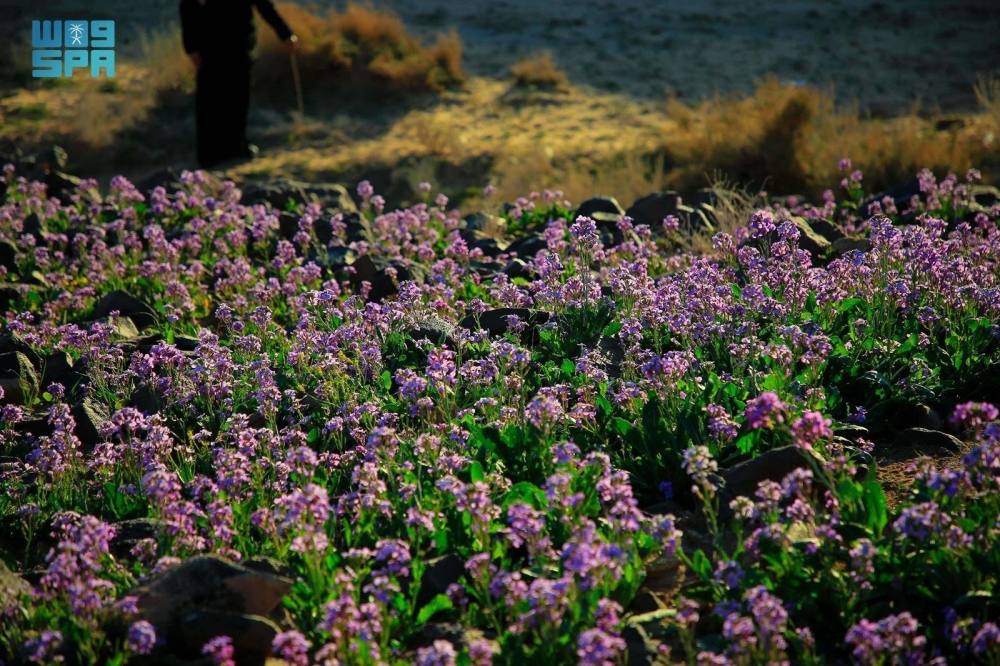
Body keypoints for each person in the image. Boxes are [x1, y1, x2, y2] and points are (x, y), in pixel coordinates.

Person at [179, 0, 297, 168]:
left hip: (239, 44)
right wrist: (191, 47)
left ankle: (237, 147)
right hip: (209, 46)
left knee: (238, 99)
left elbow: (263, 5)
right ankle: (208, 154)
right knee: (209, 101)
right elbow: (188, 7)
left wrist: (285, 33)